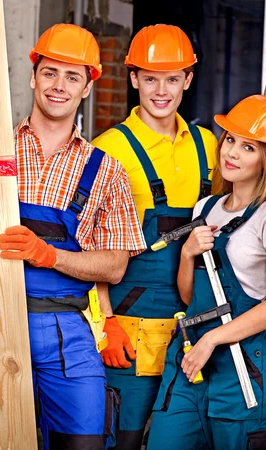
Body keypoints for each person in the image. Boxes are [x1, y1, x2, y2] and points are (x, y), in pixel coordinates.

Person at [0, 23, 146, 449]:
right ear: (32, 76)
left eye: (72, 77)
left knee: (82, 443)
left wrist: (51, 255)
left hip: (71, 332)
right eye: (50, 73)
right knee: (3, 441)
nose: (58, 86)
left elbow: (115, 266)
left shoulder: (105, 170)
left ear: (88, 88)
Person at [91, 24, 218, 449]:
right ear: (133, 79)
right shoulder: (109, 148)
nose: (160, 90)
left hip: (193, 335)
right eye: (149, 78)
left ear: (188, 80)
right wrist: (103, 322)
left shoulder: (209, 146)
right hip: (130, 333)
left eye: (171, 78)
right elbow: (86, 244)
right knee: (120, 441)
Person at [147, 94, 266, 450]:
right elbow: (191, 297)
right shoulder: (207, 206)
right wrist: (186, 253)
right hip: (190, 361)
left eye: (249, 147)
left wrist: (213, 339)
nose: (231, 152)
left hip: (241, 367)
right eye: (230, 139)